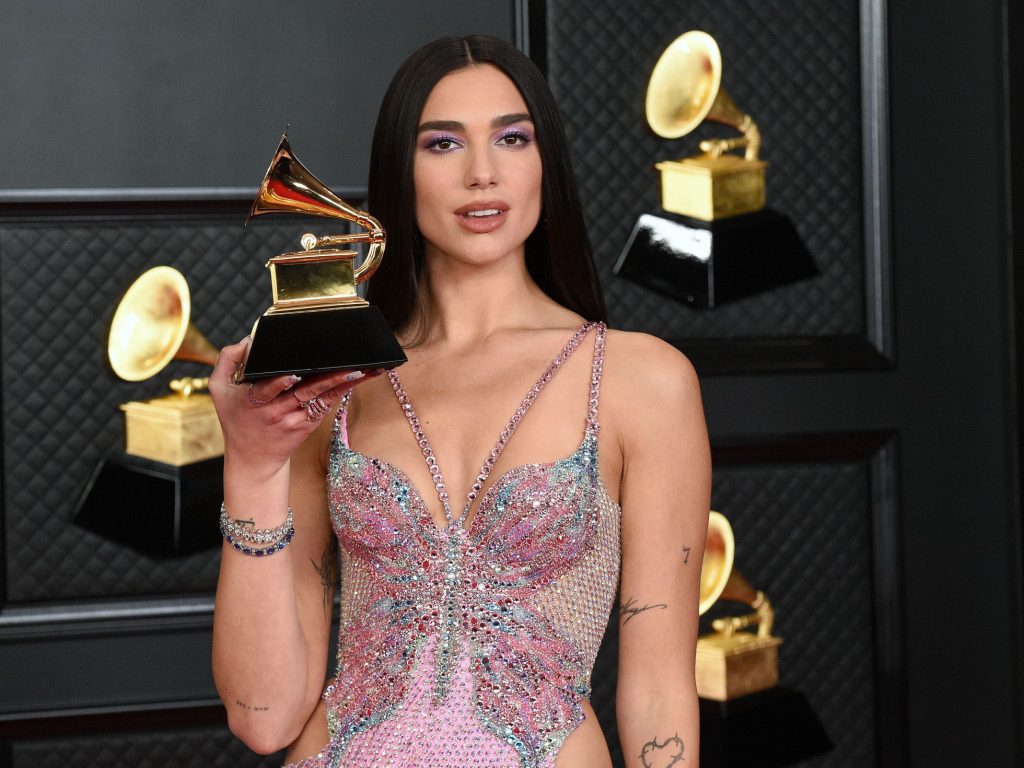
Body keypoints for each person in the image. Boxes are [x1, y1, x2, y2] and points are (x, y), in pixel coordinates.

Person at [210, 34, 710, 768]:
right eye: (442, 144)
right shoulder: (339, 386)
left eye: (512, 138)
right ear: (401, 171)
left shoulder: (642, 380)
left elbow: (659, 692)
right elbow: (264, 717)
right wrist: (252, 469)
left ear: (545, 162)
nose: (482, 173)